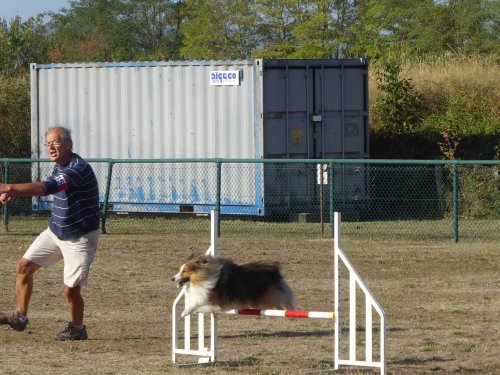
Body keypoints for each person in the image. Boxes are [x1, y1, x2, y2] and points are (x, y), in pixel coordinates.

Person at [0, 126, 100, 341]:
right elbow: (46, 186)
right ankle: (20, 317)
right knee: (23, 268)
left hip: (79, 237)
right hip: (55, 232)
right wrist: (14, 193)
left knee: (70, 290)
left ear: (68, 145)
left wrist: (9, 188)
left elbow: (48, 187)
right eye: (48, 144)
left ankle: (77, 329)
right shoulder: (59, 166)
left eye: (56, 142)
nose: (51, 147)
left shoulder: (77, 168)